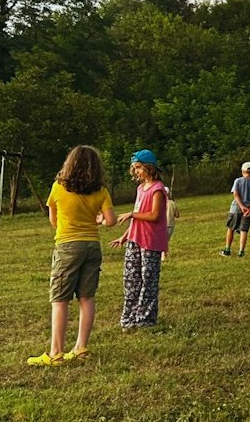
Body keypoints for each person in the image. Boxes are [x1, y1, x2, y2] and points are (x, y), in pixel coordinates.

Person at [27, 145, 116, 365]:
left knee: (60, 299)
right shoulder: (101, 191)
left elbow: (53, 220)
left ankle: (56, 352)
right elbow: (111, 221)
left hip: (67, 246)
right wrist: (99, 221)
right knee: (87, 298)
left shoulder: (58, 187)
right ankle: (81, 348)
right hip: (92, 246)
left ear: (70, 163)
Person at [111, 149, 169, 330]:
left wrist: (131, 214)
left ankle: (145, 319)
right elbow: (138, 218)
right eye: (134, 168)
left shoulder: (157, 189)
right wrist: (125, 236)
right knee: (131, 279)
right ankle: (129, 318)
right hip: (135, 240)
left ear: (149, 167)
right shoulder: (140, 189)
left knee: (148, 281)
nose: (135, 171)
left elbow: (154, 215)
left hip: (150, 242)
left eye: (138, 167)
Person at [221, 161, 250, 257]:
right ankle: (241, 251)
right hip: (247, 210)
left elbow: (235, 194)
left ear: (243, 171)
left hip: (236, 208)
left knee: (231, 228)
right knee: (244, 230)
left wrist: (241, 206)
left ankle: (227, 249)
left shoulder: (238, 181)